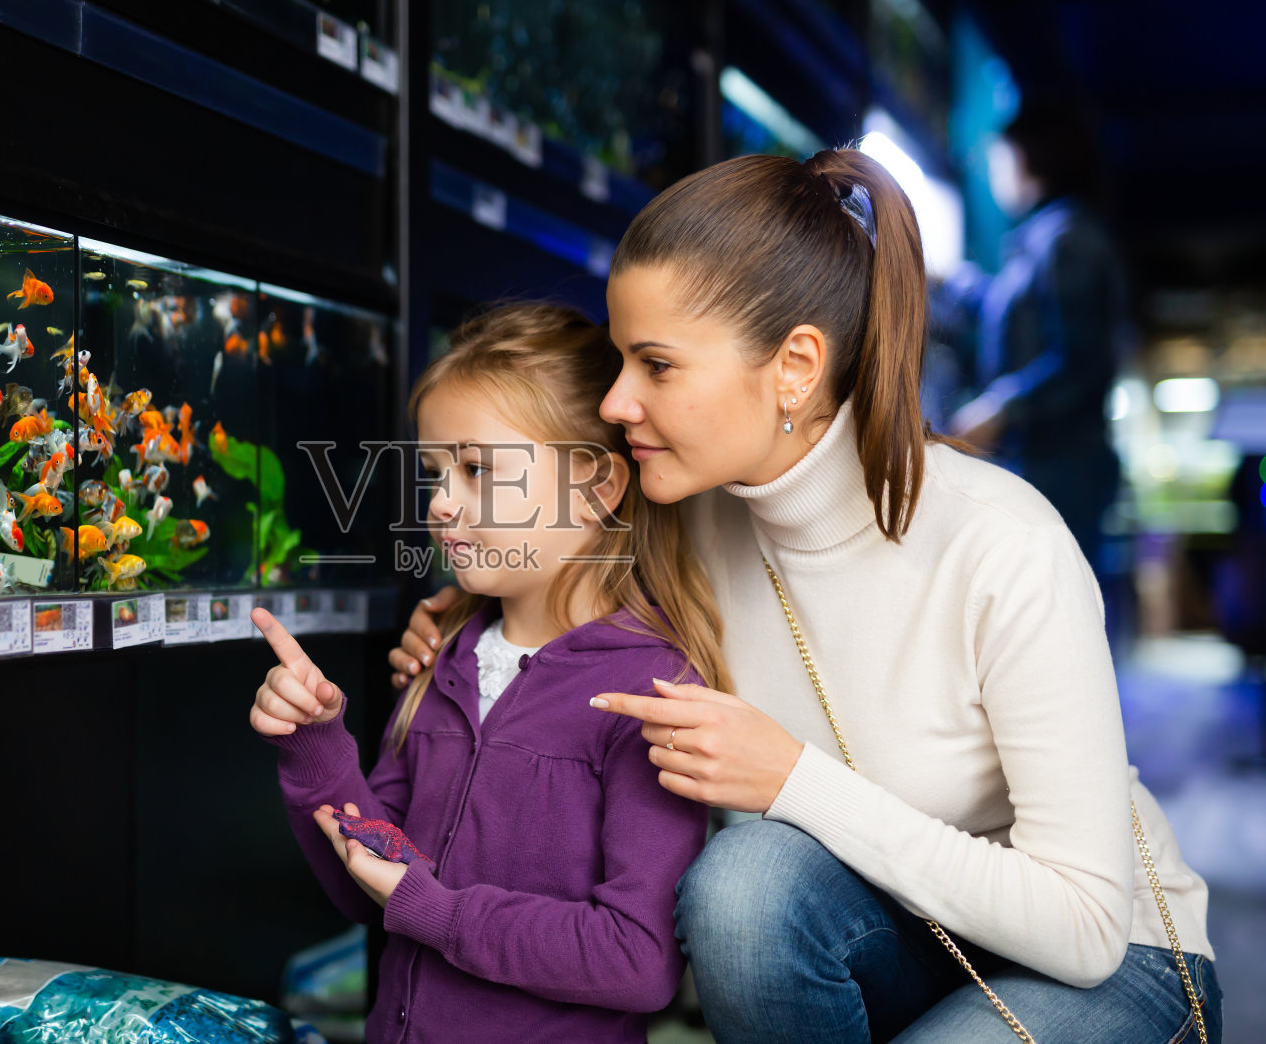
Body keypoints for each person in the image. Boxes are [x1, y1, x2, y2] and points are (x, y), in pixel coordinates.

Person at [391, 151, 1220, 1042]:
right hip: (892, 936)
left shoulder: (1002, 541)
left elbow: (1086, 927)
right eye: (621, 358)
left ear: (795, 366)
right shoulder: (682, 517)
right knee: (742, 887)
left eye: (656, 365)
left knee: (760, 867)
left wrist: (795, 778)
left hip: (1111, 966)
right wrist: (465, 626)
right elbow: (541, 579)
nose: (619, 400)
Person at [249, 303, 728, 1044]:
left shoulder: (653, 694)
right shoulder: (443, 660)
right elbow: (369, 886)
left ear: (596, 489)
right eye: (436, 473)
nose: (441, 503)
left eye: (477, 470)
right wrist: (315, 745)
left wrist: (439, 911)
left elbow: (637, 959)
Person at [946, 101, 1131, 576]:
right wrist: (951, 284)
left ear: (1028, 157)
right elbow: (1015, 312)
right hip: (1056, 466)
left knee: (1046, 597)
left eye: (1000, 159)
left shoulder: (1067, 240)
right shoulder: (1054, 235)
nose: (995, 175)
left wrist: (1000, 408)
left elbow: (1080, 359)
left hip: (1061, 467)